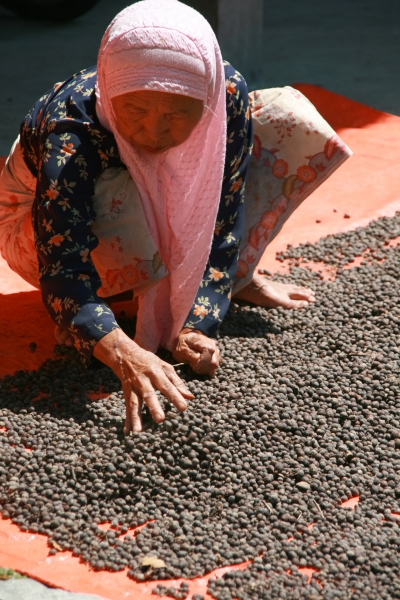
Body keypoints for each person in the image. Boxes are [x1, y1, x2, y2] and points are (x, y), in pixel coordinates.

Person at [0, 0, 351, 433]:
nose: (153, 131)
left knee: (285, 119)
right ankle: (100, 311)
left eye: (176, 114)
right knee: (120, 188)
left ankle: (223, 279)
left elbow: (225, 205)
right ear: (110, 92)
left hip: (139, 203)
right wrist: (117, 346)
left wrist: (201, 318)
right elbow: (63, 261)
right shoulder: (70, 129)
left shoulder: (224, 92)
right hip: (34, 229)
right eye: (135, 111)